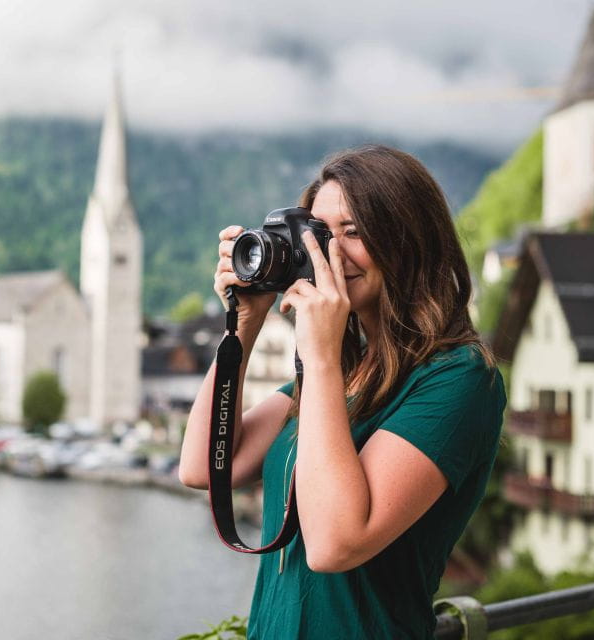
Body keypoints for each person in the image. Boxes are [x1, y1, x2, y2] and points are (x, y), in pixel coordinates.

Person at [178, 145, 506, 639]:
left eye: (353, 232)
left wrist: (322, 355)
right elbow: (204, 467)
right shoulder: (335, 375)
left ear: (410, 240)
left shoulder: (458, 379)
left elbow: (334, 544)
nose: (330, 255)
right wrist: (245, 323)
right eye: (319, 235)